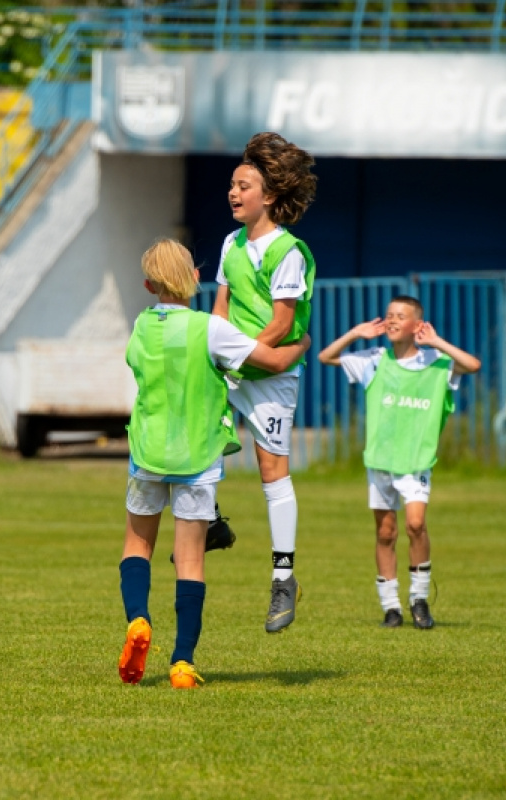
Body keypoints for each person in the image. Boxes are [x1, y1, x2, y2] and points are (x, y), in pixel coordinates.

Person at [118, 239, 311, 689]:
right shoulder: (211, 330)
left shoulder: (141, 326)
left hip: (147, 451)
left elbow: (136, 365)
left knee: (136, 546)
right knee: (190, 562)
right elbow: (274, 358)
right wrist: (302, 341)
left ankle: (138, 621)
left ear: (148, 284)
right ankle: (182, 662)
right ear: (196, 280)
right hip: (198, 458)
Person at [318, 296, 481, 628]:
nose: (391, 321)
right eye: (389, 315)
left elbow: (473, 365)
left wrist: (435, 340)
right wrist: (354, 334)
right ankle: (391, 607)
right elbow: (325, 357)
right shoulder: (375, 359)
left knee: (416, 524)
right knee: (386, 532)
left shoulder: (436, 362)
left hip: (416, 461)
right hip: (380, 461)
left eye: (400, 316)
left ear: (416, 325)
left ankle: (419, 600)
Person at [212, 131, 318, 633]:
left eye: (244, 185)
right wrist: (217, 353)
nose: (233, 193)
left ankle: (283, 578)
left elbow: (281, 324)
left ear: (269, 196)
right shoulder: (229, 244)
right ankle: (211, 520)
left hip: (270, 373)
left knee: (271, 469)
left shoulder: (287, 250)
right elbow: (219, 311)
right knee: (202, 437)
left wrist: (239, 356)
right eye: (232, 185)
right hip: (236, 366)